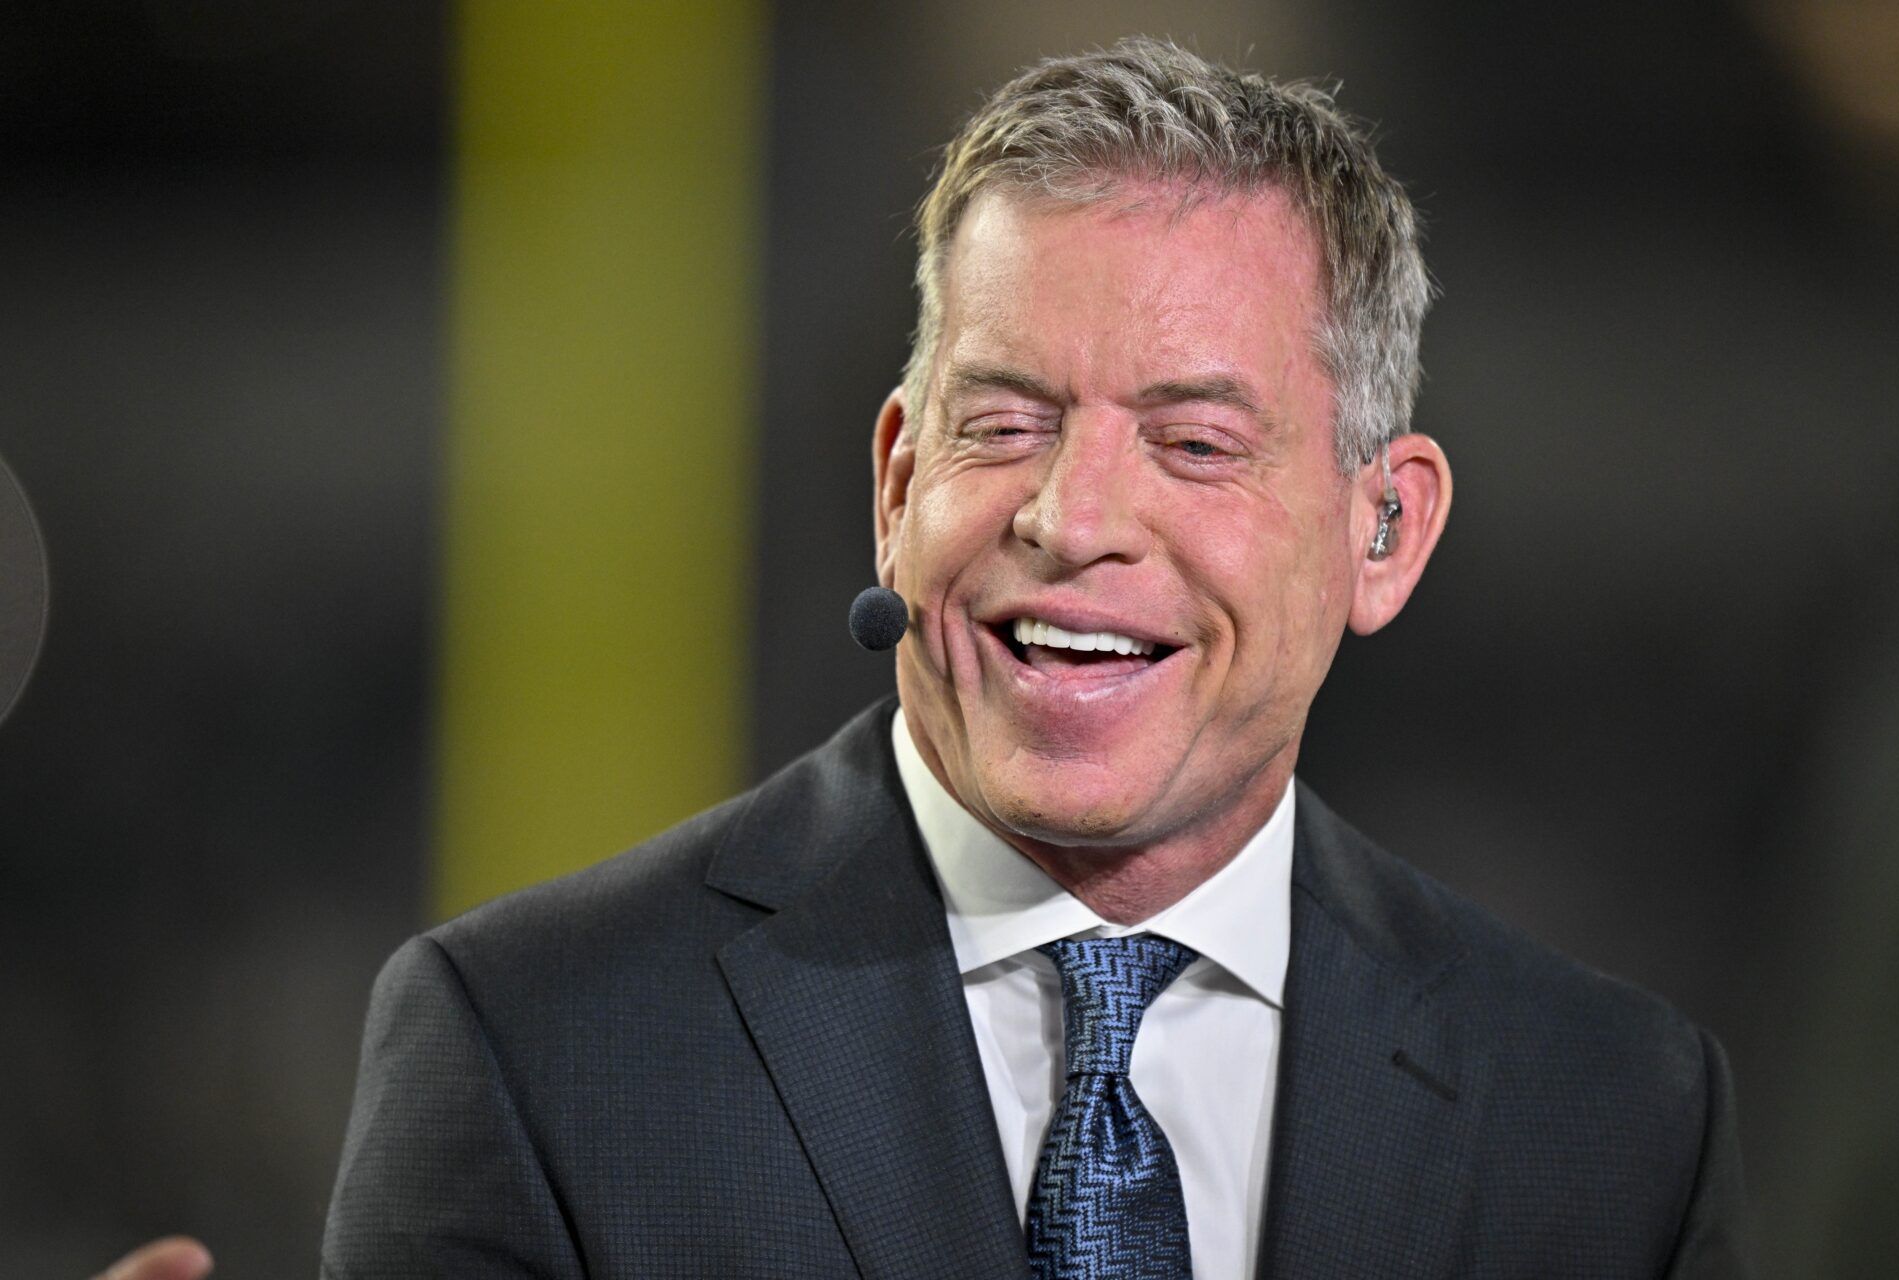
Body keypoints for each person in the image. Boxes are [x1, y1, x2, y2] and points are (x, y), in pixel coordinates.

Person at [307, 37, 1746, 1279]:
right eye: (1002, 425)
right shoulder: (534, 1053)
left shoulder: (1611, 1118)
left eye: (1194, 444)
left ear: (1385, 529)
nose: (1071, 519)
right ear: (894, 485)